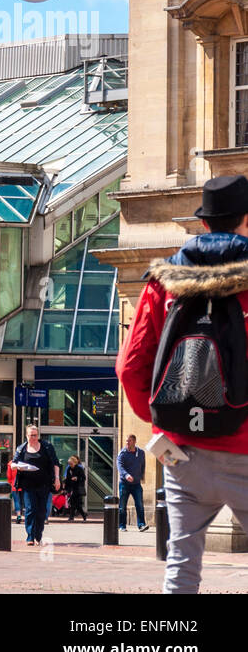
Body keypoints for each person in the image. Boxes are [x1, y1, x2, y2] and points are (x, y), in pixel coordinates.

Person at [117, 174, 248, 592]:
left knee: (181, 562)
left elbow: (130, 366)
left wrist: (161, 424)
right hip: (245, 446)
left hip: (183, 451)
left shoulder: (164, 282)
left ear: (205, 223)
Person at [11, 424, 60, 546]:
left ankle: (38, 535)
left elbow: (55, 463)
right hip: (28, 485)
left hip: (44, 484)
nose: (33, 437)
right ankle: (30, 537)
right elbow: (13, 463)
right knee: (30, 509)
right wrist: (18, 467)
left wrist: (57, 479)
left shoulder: (47, 447)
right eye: (31, 435)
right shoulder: (21, 448)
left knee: (42, 511)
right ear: (26, 436)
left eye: (35, 435)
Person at [116, 435, 148, 532]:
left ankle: (141, 525)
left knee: (139, 505)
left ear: (134, 441)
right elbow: (120, 466)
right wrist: (126, 475)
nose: (127, 443)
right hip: (124, 483)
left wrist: (142, 476)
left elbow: (143, 465)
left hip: (136, 484)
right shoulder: (122, 453)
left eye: (129, 441)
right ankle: (122, 526)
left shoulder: (141, 453)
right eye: (126, 441)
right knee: (122, 506)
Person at [64, 455, 87, 522]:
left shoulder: (79, 469)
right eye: (69, 464)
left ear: (75, 463)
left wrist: (77, 478)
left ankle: (72, 517)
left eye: (71, 464)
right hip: (72, 488)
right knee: (75, 504)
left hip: (78, 488)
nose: (70, 465)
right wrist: (66, 489)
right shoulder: (69, 469)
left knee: (74, 503)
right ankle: (82, 515)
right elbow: (68, 479)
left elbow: (83, 478)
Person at [7, 458, 26, 524]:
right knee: (24, 501)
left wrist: (10, 483)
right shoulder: (24, 463)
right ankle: (26, 517)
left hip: (14, 485)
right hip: (24, 485)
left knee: (16, 501)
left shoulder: (11, 463)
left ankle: (19, 516)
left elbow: (9, 476)